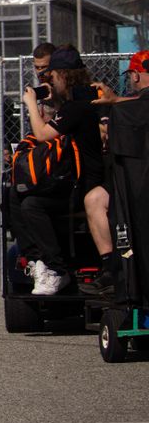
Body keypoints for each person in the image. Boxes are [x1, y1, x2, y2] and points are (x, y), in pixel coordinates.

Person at [14, 46, 103, 295]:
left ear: (63, 75)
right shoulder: (74, 103)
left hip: (84, 184)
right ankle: (36, 261)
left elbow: (43, 134)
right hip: (70, 177)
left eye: (51, 75)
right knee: (15, 192)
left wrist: (31, 103)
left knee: (31, 205)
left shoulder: (78, 106)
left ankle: (56, 268)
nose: (47, 80)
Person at [76, 49, 149, 295]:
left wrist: (116, 102)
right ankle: (110, 269)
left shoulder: (125, 107)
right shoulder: (124, 105)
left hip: (136, 182)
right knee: (95, 198)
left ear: (135, 76)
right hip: (131, 180)